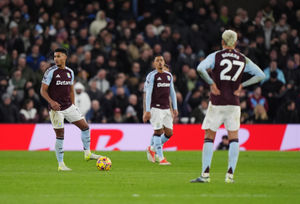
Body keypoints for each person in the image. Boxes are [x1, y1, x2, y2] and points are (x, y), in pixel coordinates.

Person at [190, 30, 265, 183]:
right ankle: (230, 176)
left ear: (222, 42)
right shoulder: (242, 58)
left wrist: (212, 84)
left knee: (209, 137)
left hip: (217, 103)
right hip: (233, 104)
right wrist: (242, 85)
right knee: (234, 138)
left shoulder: (215, 56)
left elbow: (199, 68)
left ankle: (205, 175)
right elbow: (261, 75)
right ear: (235, 43)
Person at [40, 48, 104, 171]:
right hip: (56, 109)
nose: (56, 59)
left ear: (65, 57)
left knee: (85, 127)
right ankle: (61, 164)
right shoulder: (51, 72)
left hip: (68, 107)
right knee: (60, 134)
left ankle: (88, 153)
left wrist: (73, 104)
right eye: (55, 56)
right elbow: (43, 90)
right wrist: (52, 102)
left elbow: (70, 89)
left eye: (59, 56)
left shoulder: (70, 72)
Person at [143, 55, 178, 165]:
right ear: (154, 64)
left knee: (169, 133)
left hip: (166, 108)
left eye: (161, 60)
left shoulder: (169, 75)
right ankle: (161, 158)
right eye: (157, 60)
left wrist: (175, 108)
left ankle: (152, 148)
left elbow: (172, 92)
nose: (160, 62)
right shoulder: (152, 76)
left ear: (164, 62)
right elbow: (148, 94)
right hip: (155, 107)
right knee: (158, 131)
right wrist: (147, 110)